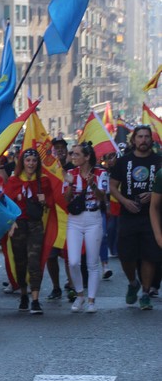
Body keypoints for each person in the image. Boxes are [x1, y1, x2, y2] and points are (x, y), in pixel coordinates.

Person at [108, 125, 161, 310]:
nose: (143, 140)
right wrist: (124, 201)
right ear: (134, 140)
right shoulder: (124, 161)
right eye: (140, 137)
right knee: (126, 256)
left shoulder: (159, 160)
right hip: (128, 215)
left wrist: (153, 194)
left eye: (146, 137)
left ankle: (145, 293)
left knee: (149, 256)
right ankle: (133, 283)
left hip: (151, 216)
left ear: (151, 140)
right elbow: (112, 186)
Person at [4, 148, 54, 315]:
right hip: (19, 225)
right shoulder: (14, 181)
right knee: (20, 261)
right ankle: (24, 293)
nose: (31, 163)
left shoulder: (44, 181)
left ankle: (35, 299)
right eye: (28, 160)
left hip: (35, 225)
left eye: (34, 160)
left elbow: (51, 203)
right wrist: (10, 224)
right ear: (22, 162)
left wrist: (44, 201)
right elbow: (6, 204)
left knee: (34, 261)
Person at [64, 142, 107, 313]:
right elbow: (67, 199)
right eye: (72, 154)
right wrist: (70, 185)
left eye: (76, 154)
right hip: (75, 220)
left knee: (92, 262)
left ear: (87, 157)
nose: (73, 157)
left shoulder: (101, 173)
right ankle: (80, 294)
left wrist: (93, 185)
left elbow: (102, 197)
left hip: (93, 218)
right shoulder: (71, 173)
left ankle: (91, 300)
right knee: (73, 261)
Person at [46, 137, 75, 300]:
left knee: (69, 256)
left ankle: (72, 286)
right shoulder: (47, 170)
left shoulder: (73, 169)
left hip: (69, 217)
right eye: (56, 148)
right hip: (52, 218)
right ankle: (56, 287)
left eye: (62, 147)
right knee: (51, 256)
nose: (59, 150)